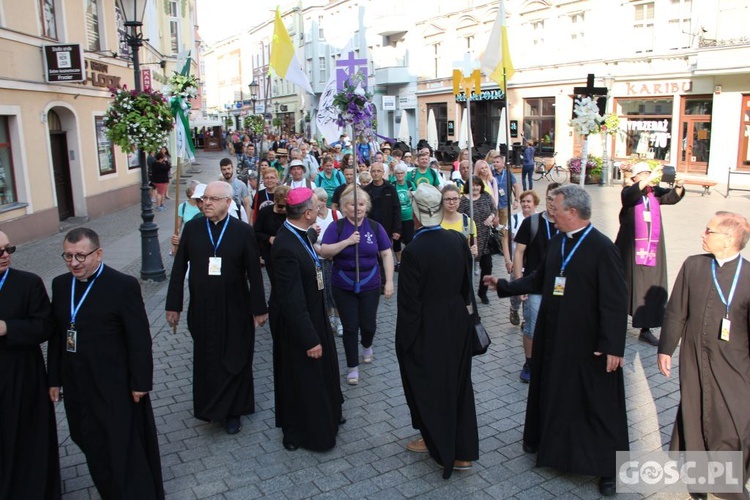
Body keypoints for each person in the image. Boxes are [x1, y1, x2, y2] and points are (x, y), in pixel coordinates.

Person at [484, 185, 629, 497]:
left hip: (591, 343)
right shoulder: (558, 241)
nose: (552, 212)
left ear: (573, 213)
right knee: (558, 394)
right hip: (556, 337)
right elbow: (540, 278)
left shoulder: (603, 248)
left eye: (557, 208)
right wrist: (505, 286)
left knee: (598, 404)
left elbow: (616, 301)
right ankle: (555, 449)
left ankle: (608, 468)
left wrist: (614, 346)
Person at [48, 228, 164, 499]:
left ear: (98, 253)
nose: (74, 263)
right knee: (86, 437)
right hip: (77, 383)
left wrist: (141, 382)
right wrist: (53, 378)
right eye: (68, 256)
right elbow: (57, 336)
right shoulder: (61, 285)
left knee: (120, 442)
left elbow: (139, 338)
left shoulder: (122, 285)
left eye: (81, 256)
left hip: (115, 384)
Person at [658, 211, 750, 498]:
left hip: (735, 363)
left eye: (709, 231)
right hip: (695, 357)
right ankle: (698, 481)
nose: (703, 234)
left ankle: (729, 482)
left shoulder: (748, 276)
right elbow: (676, 311)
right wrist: (666, 349)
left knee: (735, 420)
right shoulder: (693, 265)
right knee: (695, 415)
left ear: (729, 239)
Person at [166, 181, 268, 435]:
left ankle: (234, 411)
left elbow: (254, 274)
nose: (206, 203)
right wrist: (173, 305)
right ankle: (210, 409)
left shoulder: (242, 231)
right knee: (208, 358)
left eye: (212, 199)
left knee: (235, 357)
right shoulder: (192, 228)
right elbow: (179, 270)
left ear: (227, 202)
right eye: (204, 199)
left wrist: (260, 308)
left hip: (236, 307)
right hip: (202, 307)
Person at [397, 183, 478, 478]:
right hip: (457, 322)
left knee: (431, 386)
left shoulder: (414, 251)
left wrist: (404, 343)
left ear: (416, 212)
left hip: (428, 328)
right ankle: (464, 451)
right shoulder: (457, 240)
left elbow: (409, 306)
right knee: (459, 385)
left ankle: (440, 444)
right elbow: (465, 288)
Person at [269, 188, 345, 452]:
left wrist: (314, 234)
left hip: (314, 314)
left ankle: (331, 413)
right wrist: (310, 338)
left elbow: (307, 240)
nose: (320, 209)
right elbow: (290, 300)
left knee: (322, 372)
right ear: (308, 213)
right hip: (298, 326)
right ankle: (298, 431)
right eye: (316, 206)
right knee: (301, 378)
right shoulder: (284, 247)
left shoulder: (299, 233)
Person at [0, 232, 61, 499]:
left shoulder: (28, 283)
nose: (5, 255)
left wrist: (8, 328)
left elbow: (45, 326)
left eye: (8, 249)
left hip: (22, 376)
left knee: (25, 439)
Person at [320, 185, 394, 386]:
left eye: (361, 204)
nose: (358, 208)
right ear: (344, 208)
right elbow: (325, 252)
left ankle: (367, 344)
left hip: (370, 283)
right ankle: (352, 366)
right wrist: (347, 242)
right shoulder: (337, 227)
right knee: (351, 327)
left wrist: (389, 282)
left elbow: (386, 253)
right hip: (343, 284)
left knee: (368, 324)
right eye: (353, 204)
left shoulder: (375, 227)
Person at [614, 162, 685, 346]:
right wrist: (648, 178)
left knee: (650, 285)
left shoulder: (654, 193)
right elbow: (630, 197)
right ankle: (617, 324)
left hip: (651, 248)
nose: (648, 176)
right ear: (635, 177)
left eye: (649, 173)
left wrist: (678, 185)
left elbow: (671, 197)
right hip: (630, 249)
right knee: (625, 285)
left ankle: (646, 329)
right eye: (643, 174)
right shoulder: (629, 191)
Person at [512, 183, 560, 383]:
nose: (552, 204)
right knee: (532, 326)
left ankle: (551, 362)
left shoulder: (566, 223)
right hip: (535, 285)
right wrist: (519, 283)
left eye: (556, 200)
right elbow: (519, 252)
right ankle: (529, 363)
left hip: (559, 286)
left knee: (556, 325)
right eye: (549, 199)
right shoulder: (532, 223)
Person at [501, 190, 537, 332]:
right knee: (516, 292)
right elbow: (505, 239)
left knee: (528, 295)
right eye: (523, 201)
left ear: (535, 203)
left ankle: (525, 319)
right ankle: (514, 308)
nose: (525, 204)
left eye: (528, 201)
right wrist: (507, 260)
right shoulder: (515, 219)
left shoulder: (539, 219)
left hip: (532, 264)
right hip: (517, 262)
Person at [460, 176, 497, 304]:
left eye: (477, 185)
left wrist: (491, 217)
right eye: (473, 185)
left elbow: (494, 209)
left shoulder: (486, 196)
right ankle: (467, 294)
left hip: (485, 237)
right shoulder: (463, 200)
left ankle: (483, 292)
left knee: (487, 267)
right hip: (470, 239)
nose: (475, 187)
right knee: (467, 269)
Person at [313, 188, 343, 336]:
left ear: (324, 201)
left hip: (334, 259)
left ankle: (339, 320)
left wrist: (333, 252)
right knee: (322, 289)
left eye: (317, 202)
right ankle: (329, 318)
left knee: (335, 289)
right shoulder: (311, 218)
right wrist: (323, 252)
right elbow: (309, 239)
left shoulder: (335, 214)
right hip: (318, 261)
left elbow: (343, 235)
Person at [255, 185, 290, 281]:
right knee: (275, 282)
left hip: (288, 253)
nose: (283, 209)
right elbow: (256, 232)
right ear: (275, 201)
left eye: (286, 206)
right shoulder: (265, 212)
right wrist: (269, 238)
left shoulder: (292, 213)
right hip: (270, 254)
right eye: (280, 206)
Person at [440, 184, 478, 259]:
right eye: (447, 199)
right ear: (441, 200)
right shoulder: (435, 222)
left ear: (459, 200)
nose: (451, 203)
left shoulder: (468, 223)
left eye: (455, 199)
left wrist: (474, 252)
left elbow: (473, 250)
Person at [391, 164, 415, 270]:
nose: (400, 175)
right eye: (397, 173)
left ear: (405, 174)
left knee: (410, 241)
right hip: (397, 218)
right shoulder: (392, 185)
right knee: (396, 241)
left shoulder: (410, 184)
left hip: (409, 217)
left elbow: (416, 198)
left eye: (401, 173)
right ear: (395, 174)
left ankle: (409, 261)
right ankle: (400, 261)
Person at [492, 154, 520, 230]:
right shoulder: (491, 174)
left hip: (505, 203)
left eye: (497, 162)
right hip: (494, 204)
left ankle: (502, 241)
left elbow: (516, 186)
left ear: (503, 164)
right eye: (494, 162)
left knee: (502, 226)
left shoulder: (508, 173)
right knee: (494, 225)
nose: (495, 164)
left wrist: (516, 200)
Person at [219, 157, 252, 223]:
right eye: (224, 169)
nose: (227, 171)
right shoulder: (218, 185)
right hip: (221, 218)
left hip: (237, 219)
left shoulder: (241, 185)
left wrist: (247, 222)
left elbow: (247, 204)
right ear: (221, 170)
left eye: (228, 168)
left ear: (232, 168)